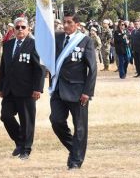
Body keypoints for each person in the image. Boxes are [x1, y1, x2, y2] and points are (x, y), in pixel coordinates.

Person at [49, 13, 97, 170]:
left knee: (80, 127)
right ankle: (75, 149)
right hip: (58, 89)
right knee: (56, 121)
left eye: (69, 22)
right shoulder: (57, 38)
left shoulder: (86, 41)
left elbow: (92, 69)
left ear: (77, 24)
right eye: (64, 22)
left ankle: (75, 161)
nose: (66, 25)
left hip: (78, 91)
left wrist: (87, 92)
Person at [0, 18, 44, 160]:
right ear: (13, 30)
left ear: (28, 29)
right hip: (9, 89)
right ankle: (19, 141)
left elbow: (40, 69)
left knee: (27, 121)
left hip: (27, 89)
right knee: (6, 116)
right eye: (17, 27)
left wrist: (38, 88)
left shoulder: (34, 45)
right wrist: (0, 87)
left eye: (23, 27)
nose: (20, 29)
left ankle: (26, 149)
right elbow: (3, 67)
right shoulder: (8, 44)